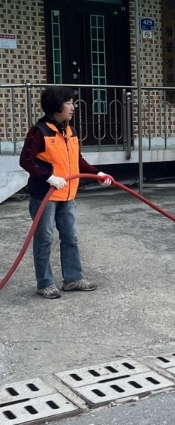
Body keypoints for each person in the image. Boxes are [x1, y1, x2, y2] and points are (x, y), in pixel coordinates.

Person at [19, 87, 114, 299]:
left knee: (70, 237)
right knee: (44, 239)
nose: (73, 107)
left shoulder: (70, 131)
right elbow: (25, 160)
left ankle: (73, 279)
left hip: (68, 195)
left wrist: (97, 173)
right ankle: (45, 284)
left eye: (73, 102)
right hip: (45, 196)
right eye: (68, 102)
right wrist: (48, 177)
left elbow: (78, 160)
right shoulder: (39, 131)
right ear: (55, 105)